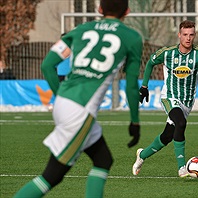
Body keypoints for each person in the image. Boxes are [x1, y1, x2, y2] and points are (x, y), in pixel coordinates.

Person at [14, 0, 143, 197]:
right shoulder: (132, 37)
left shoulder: (80, 30)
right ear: (127, 11)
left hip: (66, 102)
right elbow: (132, 85)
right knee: (51, 176)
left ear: (100, 9)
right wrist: (134, 121)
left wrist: (60, 96)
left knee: (103, 160)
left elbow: (48, 65)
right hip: (80, 112)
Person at [132, 20, 198, 178]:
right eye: (185, 34)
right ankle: (182, 168)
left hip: (187, 102)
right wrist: (144, 86)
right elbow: (150, 63)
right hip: (169, 97)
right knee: (181, 122)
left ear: (195, 36)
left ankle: (142, 155)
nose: (188, 38)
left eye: (191, 35)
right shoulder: (167, 53)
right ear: (179, 35)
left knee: (167, 136)